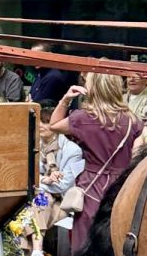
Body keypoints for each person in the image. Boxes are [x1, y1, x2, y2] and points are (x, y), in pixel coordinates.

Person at [49, 72, 144, 254]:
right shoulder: (132, 120)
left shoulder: (82, 118)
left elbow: (54, 125)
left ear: (94, 88)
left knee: (85, 241)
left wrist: (66, 99)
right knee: (117, 234)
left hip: (91, 187)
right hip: (121, 186)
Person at [17, 102, 84, 256]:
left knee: (37, 204)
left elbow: (63, 185)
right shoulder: (35, 144)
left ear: (56, 126)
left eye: (46, 122)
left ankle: (33, 250)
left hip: (62, 200)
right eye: (40, 120)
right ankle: (37, 250)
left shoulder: (72, 150)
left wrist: (39, 182)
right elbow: (26, 175)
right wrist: (44, 180)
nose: (40, 124)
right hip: (42, 197)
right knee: (39, 201)